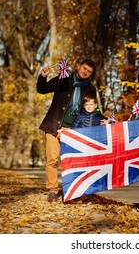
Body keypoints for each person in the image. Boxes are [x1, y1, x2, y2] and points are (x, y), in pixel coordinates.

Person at [36, 58, 97, 202]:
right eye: (84, 68)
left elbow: (91, 109)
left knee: (73, 162)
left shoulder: (90, 89)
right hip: (53, 126)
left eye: (89, 71)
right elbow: (42, 89)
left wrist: (101, 119)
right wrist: (43, 77)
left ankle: (74, 191)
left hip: (72, 130)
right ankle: (52, 191)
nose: (85, 72)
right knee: (52, 160)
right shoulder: (64, 79)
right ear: (79, 66)